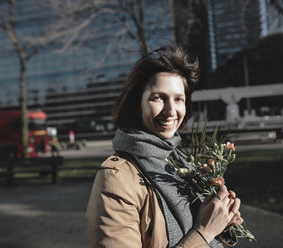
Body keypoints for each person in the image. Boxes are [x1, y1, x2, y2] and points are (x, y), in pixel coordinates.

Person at [85, 45, 243, 248]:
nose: (170, 111)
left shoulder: (180, 162)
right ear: (137, 105)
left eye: (179, 99)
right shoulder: (116, 179)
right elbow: (201, 232)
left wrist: (222, 223)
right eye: (157, 98)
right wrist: (204, 233)